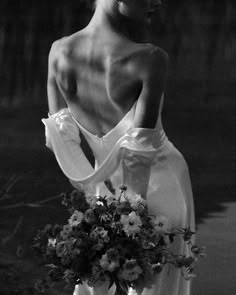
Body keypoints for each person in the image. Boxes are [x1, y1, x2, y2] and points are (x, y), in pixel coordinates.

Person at [42, 0, 195, 294]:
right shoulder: (150, 58)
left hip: (103, 195)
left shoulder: (59, 52)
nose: (157, 2)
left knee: (96, 282)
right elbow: (139, 154)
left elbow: (60, 143)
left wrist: (97, 206)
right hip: (161, 192)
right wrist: (131, 225)